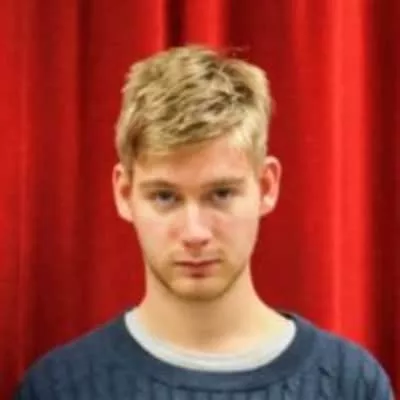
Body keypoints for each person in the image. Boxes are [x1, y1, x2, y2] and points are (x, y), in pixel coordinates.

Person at [14, 45, 394, 399]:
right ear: (124, 193)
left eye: (221, 194)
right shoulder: (59, 389)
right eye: (165, 197)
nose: (195, 233)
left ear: (266, 186)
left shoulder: (351, 385)